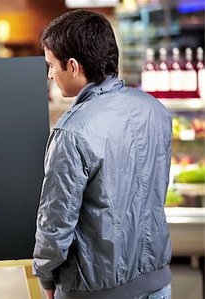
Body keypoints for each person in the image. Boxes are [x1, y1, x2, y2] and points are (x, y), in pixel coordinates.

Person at [32, 10, 172, 299]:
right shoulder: (154, 109)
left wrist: (45, 276)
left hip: (95, 291)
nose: (49, 74)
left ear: (72, 66)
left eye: (51, 65)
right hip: (157, 282)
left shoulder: (71, 130)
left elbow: (55, 223)